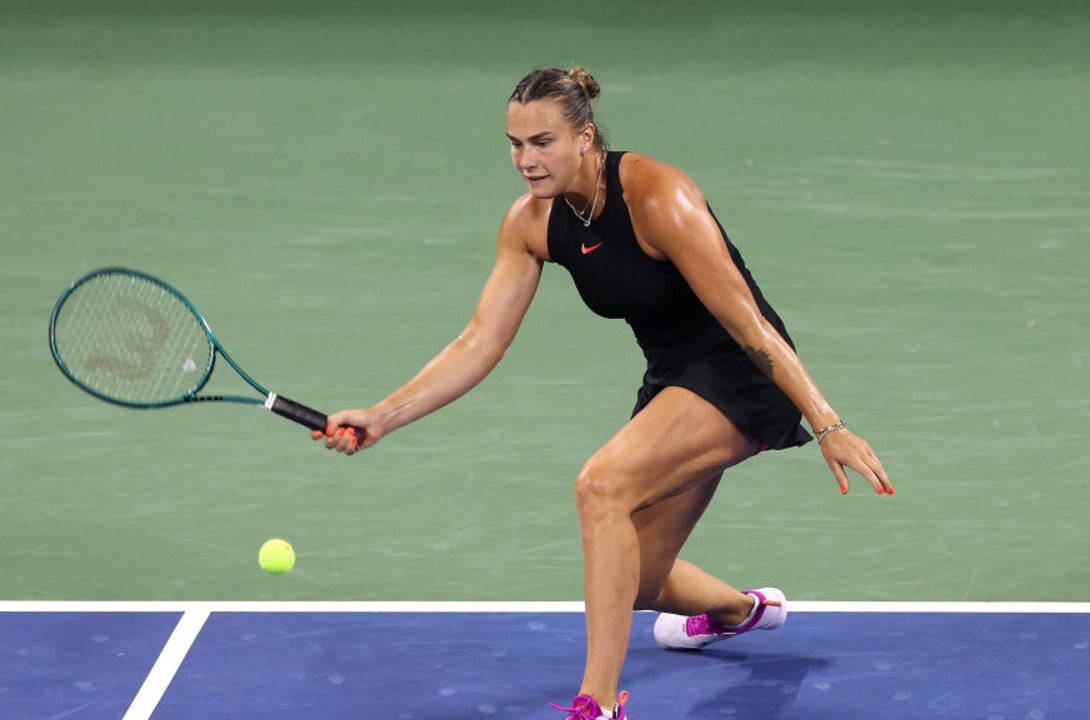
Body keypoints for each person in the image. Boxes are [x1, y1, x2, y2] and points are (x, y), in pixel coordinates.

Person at [315, 66, 893, 720]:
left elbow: (748, 323)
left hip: (741, 372)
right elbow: (479, 341)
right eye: (515, 144)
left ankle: (597, 705)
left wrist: (827, 422)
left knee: (601, 486)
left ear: (585, 137)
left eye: (543, 142)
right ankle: (741, 611)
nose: (526, 160)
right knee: (636, 582)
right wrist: (384, 416)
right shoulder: (532, 223)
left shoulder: (658, 195)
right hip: (673, 378)